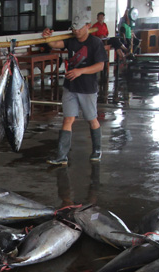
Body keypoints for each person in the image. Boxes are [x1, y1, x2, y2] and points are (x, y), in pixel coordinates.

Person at [42, 12, 107, 165]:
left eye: (78, 28)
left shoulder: (95, 43)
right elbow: (54, 44)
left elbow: (100, 65)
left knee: (92, 119)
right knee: (68, 119)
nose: (76, 31)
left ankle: (97, 149)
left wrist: (80, 71)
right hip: (70, 86)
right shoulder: (71, 41)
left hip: (87, 88)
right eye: (74, 28)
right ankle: (61, 156)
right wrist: (47, 36)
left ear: (87, 26)